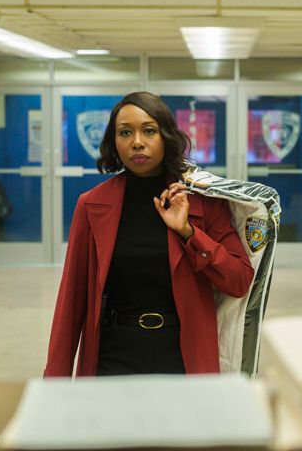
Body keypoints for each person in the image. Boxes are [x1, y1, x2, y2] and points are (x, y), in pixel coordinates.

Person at [44, 92, 254, 377]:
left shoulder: (203, 202)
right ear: (114, 142)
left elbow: (239, 280)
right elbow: (71, 303)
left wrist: (188, 232)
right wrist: (54, 383)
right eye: (125, 132)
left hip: (182, 353)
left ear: (166, 137)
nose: (137, 142)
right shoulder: (92, 205)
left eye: (149, 131)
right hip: (114, 353)